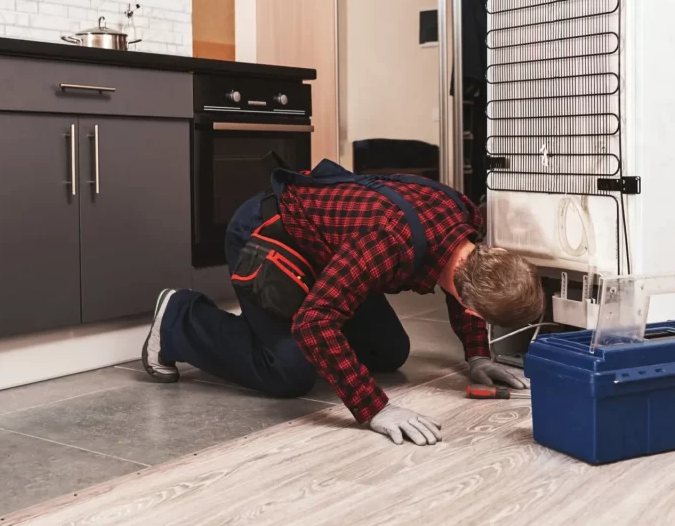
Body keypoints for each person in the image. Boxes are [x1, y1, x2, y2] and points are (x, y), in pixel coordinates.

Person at [141, 159, 543, 446]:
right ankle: (180, 319)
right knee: (289, 372)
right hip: (269, 234)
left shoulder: (464, 222)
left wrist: (477, 355)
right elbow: (314, 324)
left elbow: (462, 278)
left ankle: (270, 324)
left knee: (390, 352)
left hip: (335, 249)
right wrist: (374, 409)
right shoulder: (387, 242)